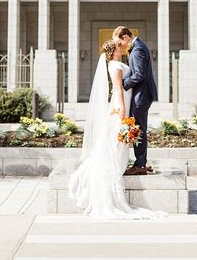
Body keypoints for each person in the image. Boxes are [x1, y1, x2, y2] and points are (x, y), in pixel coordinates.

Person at [68, 37, 165, 220]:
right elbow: (118, 88)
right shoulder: (114, 65)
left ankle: (126, 163)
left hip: (127, 102)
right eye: (118, 46)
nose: (121, 47)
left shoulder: (118, 62)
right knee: (116, 140)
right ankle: (117, 168)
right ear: (113, 50)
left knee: (119, 141)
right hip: (122, 103)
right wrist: (121, 110)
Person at [113, 26, 158, 175]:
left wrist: (122, 84)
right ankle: (141, 162)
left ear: (126, 37)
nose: (121, 46)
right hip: (142, 94)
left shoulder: (137, 50)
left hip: (141, 96)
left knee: (139, 129)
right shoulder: (138, 47)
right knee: (139, 128)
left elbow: (139, 75)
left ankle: (140, 165)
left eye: (121, 42)